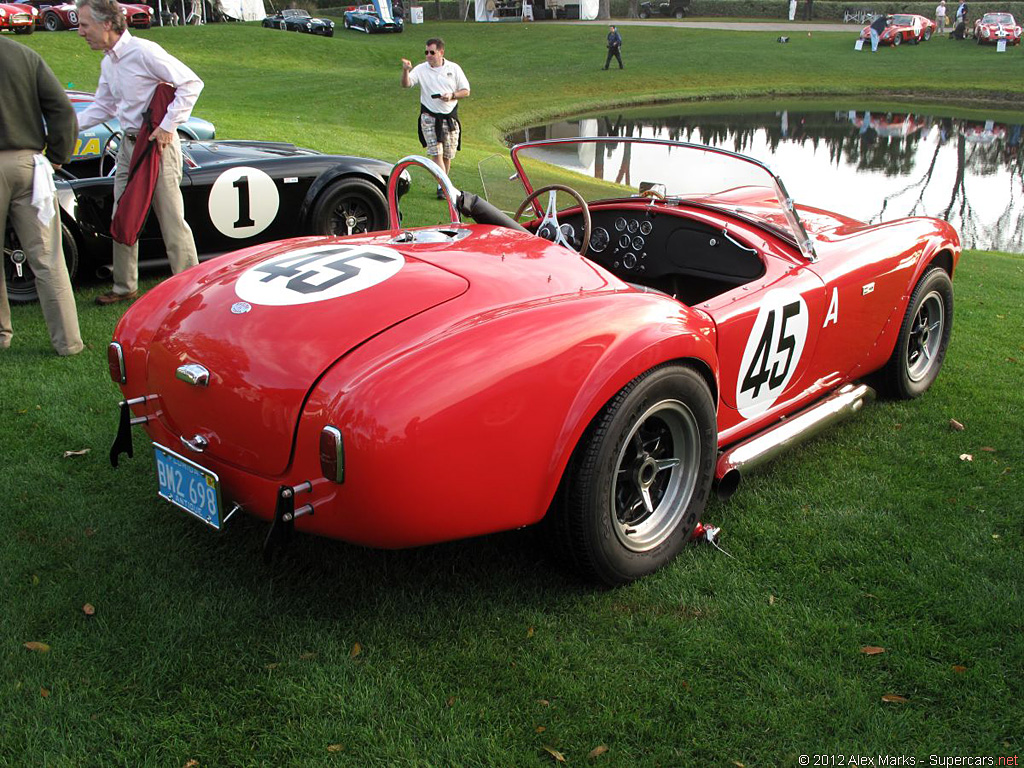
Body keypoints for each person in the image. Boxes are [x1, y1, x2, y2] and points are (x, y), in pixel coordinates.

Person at [75, 0, 202, 305]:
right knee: (123, 213)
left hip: (157, 147)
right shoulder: (109, 62)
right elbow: (103, 107)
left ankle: (191, 288)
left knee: (171, 218)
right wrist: (66, 127)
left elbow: (191, 83)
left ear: (107, 24)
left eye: (84, 25)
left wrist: (169, 125)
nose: (80, 32)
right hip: (127, 148)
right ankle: (124, 287)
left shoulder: (145, 51)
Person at [0, 38, 84, 356]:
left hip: (25, 164)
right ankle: (68, 342)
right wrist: (58, 155)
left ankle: (1, 335)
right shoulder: (24, 55)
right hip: (28, 165)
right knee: (48, 257)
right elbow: (62, 110)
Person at [400, 38, 470, 198]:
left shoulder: (454, 68)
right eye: (426, 52)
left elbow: (466, 91)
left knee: (447, 155)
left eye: (432, 52)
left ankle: (442, 186)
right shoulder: (421, 69)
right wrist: (405, 70)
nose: (428, 55)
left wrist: (452, 95)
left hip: (449, 117)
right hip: (429, 117)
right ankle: (447, 188)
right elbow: (406, 84)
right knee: (435, 153)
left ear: (441, 52)